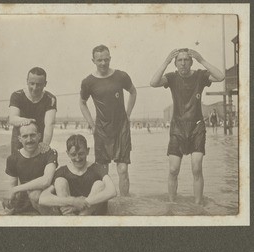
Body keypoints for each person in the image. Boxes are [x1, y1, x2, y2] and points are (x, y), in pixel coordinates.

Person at [150, 48, 225, 204]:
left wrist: (202, 59)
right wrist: (166, 61)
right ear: (176, 63)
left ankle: (197, 206)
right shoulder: (171, 78)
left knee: (196, 168)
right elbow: (153, 82)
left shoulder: (200, 75)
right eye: (179, 60)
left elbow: (221, 76)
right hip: (177, 127)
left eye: (186, 60)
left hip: (197, 127)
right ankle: (172, 204)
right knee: (173, 169)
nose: (183, 63)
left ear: (191, 62)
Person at [79, 45, 137, 196]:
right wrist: (92, 124)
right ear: (93, 61)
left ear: (110, 58)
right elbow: (82, 102)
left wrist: (128, 114)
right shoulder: (88, 82)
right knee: (103, 172)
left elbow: (133, 92)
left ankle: (124, 203)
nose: (103, 63)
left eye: (106, 59)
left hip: (121, 128)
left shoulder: (121, 76)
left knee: (123, 169)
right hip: (102, 129)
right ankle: (105, 202)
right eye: (99, 60)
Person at [39, 134, 117, 215]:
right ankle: (72, 218)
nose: (77, 158)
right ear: (68, 153)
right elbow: (42, 198)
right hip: (70, 212)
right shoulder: (62, 171)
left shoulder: (97, 168)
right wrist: (73, 201)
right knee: (59, 181)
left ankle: (82, 217)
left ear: (88, 151)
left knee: (99, 184)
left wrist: (83, 203)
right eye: (73, 154)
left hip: (90, 213)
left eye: (81, 153)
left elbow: (112, 191)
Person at [2, 122, 59, 215]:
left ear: (39, 136)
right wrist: (11, 200)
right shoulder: (13, 158)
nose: (29, 140)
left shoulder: (49, 153)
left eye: (32, 135)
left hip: (47, 194)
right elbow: (12, 187)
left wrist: (16, 189)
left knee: (34, 194)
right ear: (20, 139)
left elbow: (46, 181)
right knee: (7, 204)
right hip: (26, 194)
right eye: (25, 136)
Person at [9, 67, 57, 154]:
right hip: (19, 140)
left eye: (39, 84)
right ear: (27, 81)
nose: (35, 88)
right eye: (32, 83)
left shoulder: (50, 99)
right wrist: (25, 120)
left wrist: (44, 145)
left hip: (39, 139)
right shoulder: (17, 95)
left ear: (45, 84)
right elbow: (12, 119)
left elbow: (50, 124)